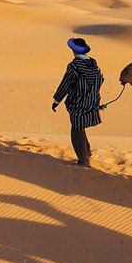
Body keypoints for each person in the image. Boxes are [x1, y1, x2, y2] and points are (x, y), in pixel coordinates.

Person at [52, 37, 104, 166]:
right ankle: (87, 151)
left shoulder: (74, 66)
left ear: (74, 51)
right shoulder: (94, 64)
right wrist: (93, 97)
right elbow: (101, 80)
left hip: (78, 102)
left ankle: (83, 160)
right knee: (80, 126)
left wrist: (56, 100)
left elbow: (66, 84)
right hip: (92, 102)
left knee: (76, 129)